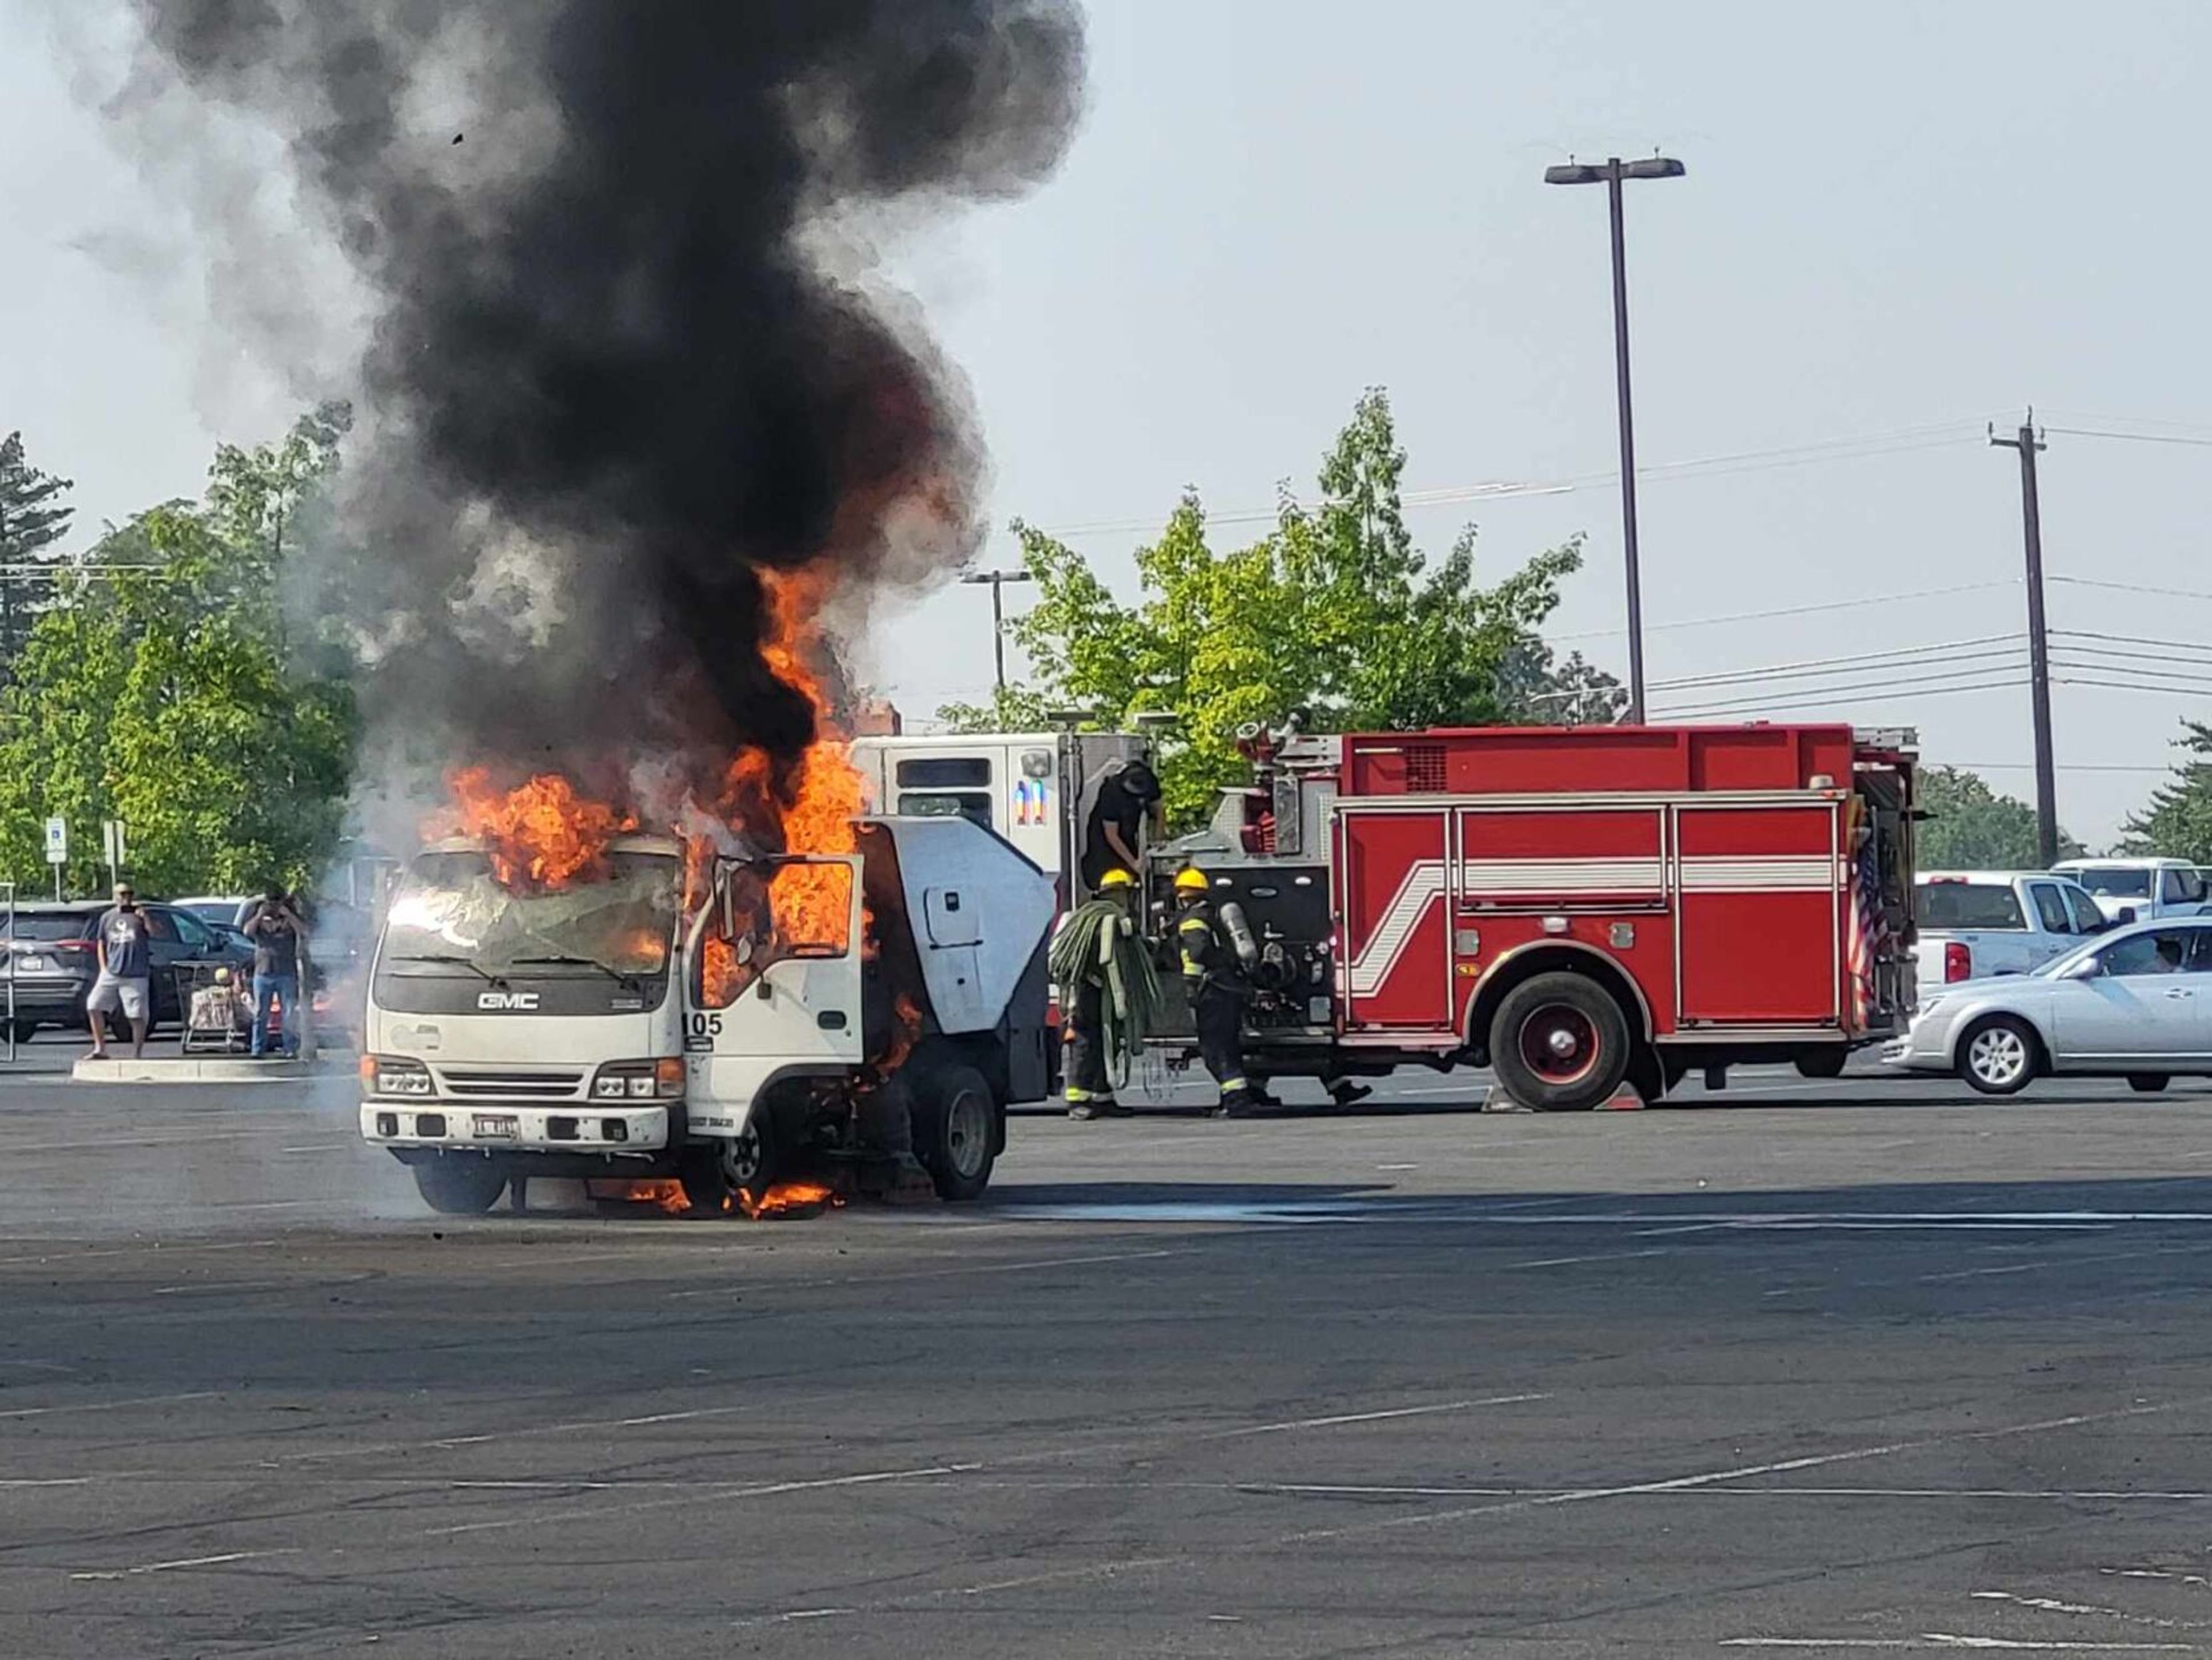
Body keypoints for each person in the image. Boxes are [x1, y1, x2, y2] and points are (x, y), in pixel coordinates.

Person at [1173, 866, 1257, 1118]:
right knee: (1227, 1046)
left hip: (1214, 992)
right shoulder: (1212, 913)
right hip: (1228, 989)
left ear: (1182, 896)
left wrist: (1190, 983)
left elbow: (1196, 951)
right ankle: (1233, 1098)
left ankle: (1236, 1101)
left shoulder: (1193, 920)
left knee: (1215, 1050)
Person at [1056, 868, 1139, 1120]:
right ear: (1115, 894)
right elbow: (1114, 941)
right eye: (1126, 894)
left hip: (1106, 993)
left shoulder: (1111, 918)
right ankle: (1076, 1100)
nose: (1129, 900)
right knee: (1085, 1043)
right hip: (1087, 990)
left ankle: (1102, 1097)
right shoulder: (1096, 921)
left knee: (1108, 1041)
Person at [88, 883, 153, 1061]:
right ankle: (100, 1048)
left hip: (136, 973)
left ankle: (137, 1053)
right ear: (115, 896)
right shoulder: (107, 917)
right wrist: (103, 966)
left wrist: (145, 917)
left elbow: (155, 933)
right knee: (93, 1005)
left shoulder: (138, 916)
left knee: (136, 1015)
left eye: (130, 894)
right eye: (123, 894)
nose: (127, 897)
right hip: (111, 972)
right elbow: (101, 942)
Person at [242, 886, 305, 1059]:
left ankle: (290, 1048)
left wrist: (289, 915)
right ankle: (258, 1049)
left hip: (286, 973)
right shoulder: (260, 920)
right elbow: (247, 931)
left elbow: (304, 932)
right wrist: (260, 915)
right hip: (263, 973)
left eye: (277, 903)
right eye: (271, 903)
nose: (274, 907)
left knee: (289, 1013)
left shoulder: (290, 919)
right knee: (261, 1013)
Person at [1080, 759, 1161, 892]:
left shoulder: (1149, 781)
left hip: (1128, 831)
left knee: (1133, 875)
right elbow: (1112, 835)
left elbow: (1159, 811)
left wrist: (1159, 840)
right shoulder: (1112, 793)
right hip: (1105, 839)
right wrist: (1134, 863)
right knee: (1112, 875)